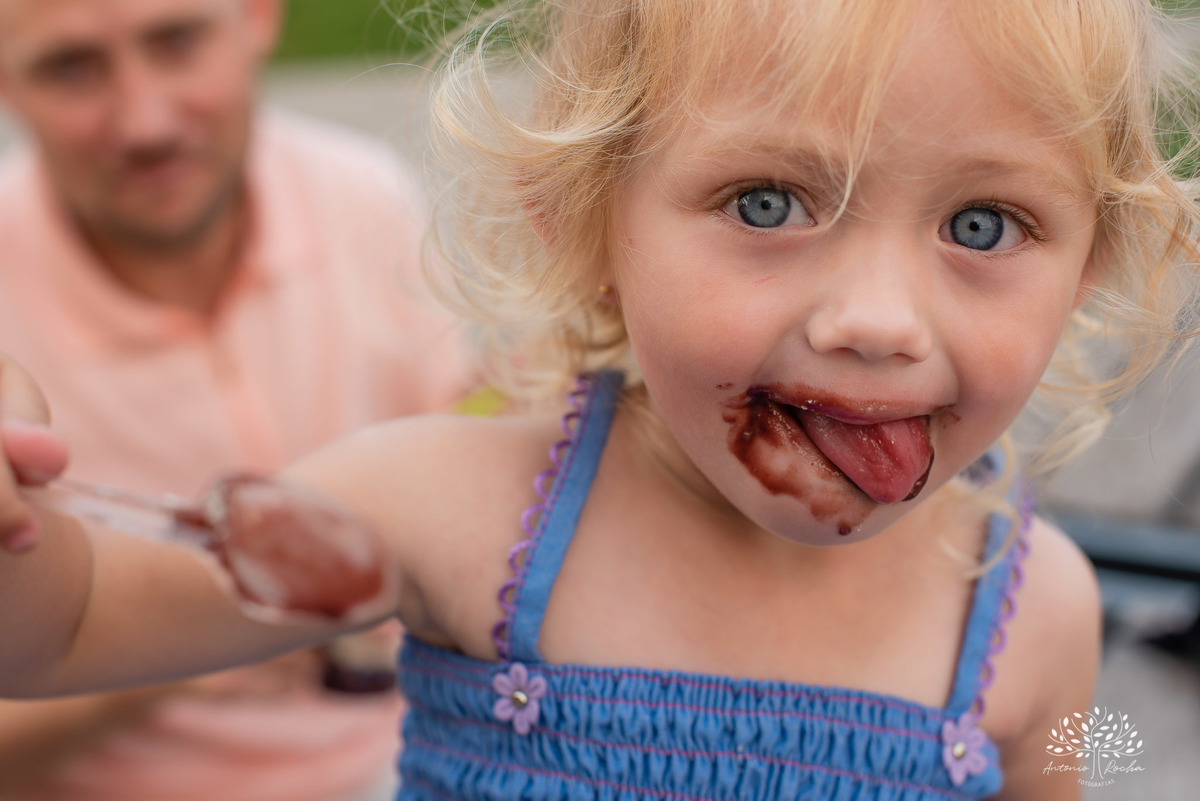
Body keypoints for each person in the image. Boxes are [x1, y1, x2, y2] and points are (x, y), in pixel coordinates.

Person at [0, 0, 1197, 799]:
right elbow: (73, 621)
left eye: (983, 226)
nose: (877, 321)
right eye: (768, 204)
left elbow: (1070, 757)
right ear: (585, 227)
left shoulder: (1037, 610)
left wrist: (1114, 743)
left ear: (1089, 265)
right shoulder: (454, 513)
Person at [0, 0, 469, 799]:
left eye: (176, 41)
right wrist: (179, 654)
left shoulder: (366, 197)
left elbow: (472, 474)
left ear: (258, 16)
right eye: (70, 68)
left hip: (406, 754)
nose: (144, 122)